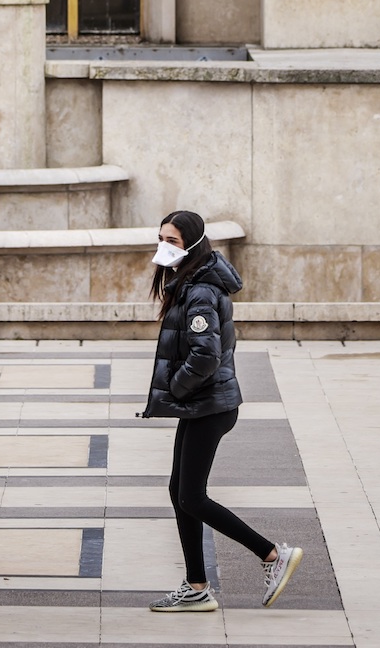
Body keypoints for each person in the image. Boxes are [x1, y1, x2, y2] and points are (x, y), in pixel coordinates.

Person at [141, 210, 302, 613]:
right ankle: (196, 585)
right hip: (203, 405)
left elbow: (205, 356)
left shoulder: (200, 291)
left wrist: (175, 388)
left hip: (208, 405)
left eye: (172, 241)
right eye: (161, 238)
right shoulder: (191, 281)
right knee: (180, 493)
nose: (164, 246)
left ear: (193, 245)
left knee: (191, 497)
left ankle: (271, 555)